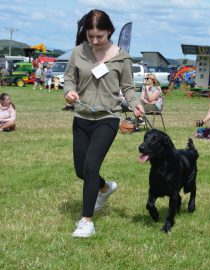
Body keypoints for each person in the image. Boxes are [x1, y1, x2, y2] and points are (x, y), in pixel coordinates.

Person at [63, 9, 144, 238]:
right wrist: (69, 91)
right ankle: (105, 188)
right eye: (90, 36)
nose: (94, 41)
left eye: (99, 36)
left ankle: (87, 221)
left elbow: (128, 87)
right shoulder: (79, 52)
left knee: (91, 167)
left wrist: (135, 103)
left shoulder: (122, 56)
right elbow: (69, 78)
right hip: (82, 116)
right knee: (81, 170)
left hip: (108, 117)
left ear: (109, 31)